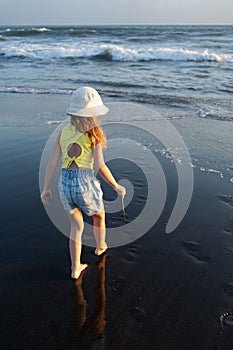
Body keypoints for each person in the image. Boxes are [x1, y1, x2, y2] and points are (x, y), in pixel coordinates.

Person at [40, 87, 126, 280]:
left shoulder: (62, 132)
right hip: (84, 183)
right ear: (94, 113)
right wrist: (115, 186)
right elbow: (101, 167)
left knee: (76, 227)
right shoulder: (94, 133)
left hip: (64, 184)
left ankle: (75, 268)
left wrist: (46, 188)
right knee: (99, 216)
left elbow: (53, 162)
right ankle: (100, 246)